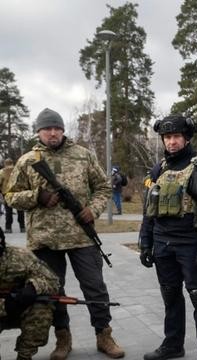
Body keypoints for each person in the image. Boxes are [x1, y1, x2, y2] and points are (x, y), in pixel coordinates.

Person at [4, 108, 125, 360]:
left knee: (95, 288)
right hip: (44, 239)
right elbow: (10, 196)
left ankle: (104, 335)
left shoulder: (83, 156)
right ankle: (63, 338)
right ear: (38, 132)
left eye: (57, 128)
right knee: (53, 292)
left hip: (81, 236)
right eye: (47, 128)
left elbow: (103, 186)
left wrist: (93, 209)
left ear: (62, 130)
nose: (52, 133)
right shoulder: (27, 160)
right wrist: (37, 196)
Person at [139, 115, 197, 360]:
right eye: (167, 137)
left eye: (176, 136)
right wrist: (145, 243)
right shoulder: (159, 168)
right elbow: (149, 208)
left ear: (186, 138)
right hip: (163, 244)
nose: (172, 142)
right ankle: (173, 345)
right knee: (170, 296)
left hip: (191, 245)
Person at [0, 226, 60, 360]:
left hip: (21, 308)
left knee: (42, 310)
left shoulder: (19, 255)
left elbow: (52, 280)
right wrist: (5, 305)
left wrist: (33, 287)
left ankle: (24, 355)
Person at [0, 158, 26, 233]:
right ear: (12, 163)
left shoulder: (2, 172)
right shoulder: (18, 171)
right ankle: (22, 227)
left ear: (5, 163)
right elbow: (23, 181)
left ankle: (8, 228)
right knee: (20, 211)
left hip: (7, 194)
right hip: (18, 193)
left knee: (8, 212)